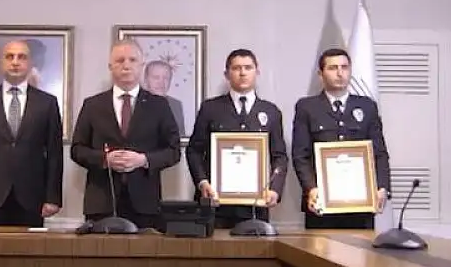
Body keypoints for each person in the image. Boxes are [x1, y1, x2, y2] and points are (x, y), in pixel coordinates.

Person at [70, 39, 180, 229]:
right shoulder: (92, 105)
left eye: (132, 60)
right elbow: (77, 149)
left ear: (142, 65)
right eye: (120, 60)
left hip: (145, 204)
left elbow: (174, 151)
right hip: (102, 202)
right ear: (110, 66)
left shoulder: (159, 105)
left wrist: (143, 160)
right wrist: (105, 159)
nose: (126, 66)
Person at [0, 40, 63, 227]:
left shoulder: (47, 103)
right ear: (1, 63)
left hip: (32, 195)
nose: (15, 62)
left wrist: (53, 197)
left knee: (29, 245)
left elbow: (54, 154)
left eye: (21, 57)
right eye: (9, 57)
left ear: (30, 63)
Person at [186, 49, 288, 228]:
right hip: (216, 203)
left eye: (248, 67)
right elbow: (194, 151)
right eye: (236, 68)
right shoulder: (210, 108)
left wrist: (275, 188)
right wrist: (202, 182)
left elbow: (279, 156)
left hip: (255, 205)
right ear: (227, 74)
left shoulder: (271, 111)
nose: (242, 73)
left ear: (257, 71)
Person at [292, 48, 391, 229]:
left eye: (344, 67)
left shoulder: (367, 106)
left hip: (360, 203)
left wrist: (382, 187)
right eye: (333, 68)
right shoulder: (307, 107)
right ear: (321, 74)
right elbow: (300, 155)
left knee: (361, 247)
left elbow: (380, 153)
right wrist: (311, 188)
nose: (340, 73)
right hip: (321, 202)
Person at [142, 60, 186, 135]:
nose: (161, 82)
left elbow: (180, 136)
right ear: (146, 80)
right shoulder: (137, 103)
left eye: (166, 78)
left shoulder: (176, 105)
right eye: (156, 77)